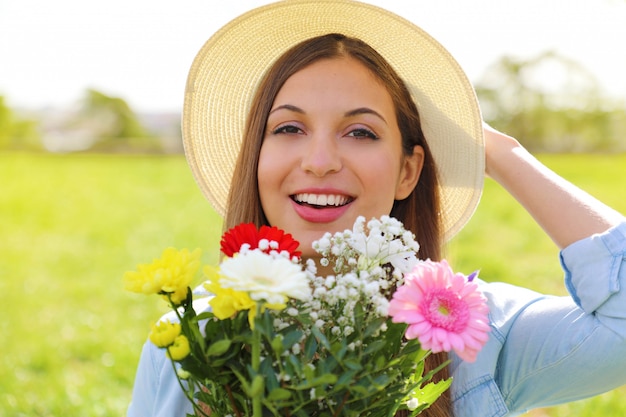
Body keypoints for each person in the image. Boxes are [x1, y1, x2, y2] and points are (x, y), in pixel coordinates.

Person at [127, 1, 626, 416]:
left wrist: (496, 152)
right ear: (255, 159)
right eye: (288, 129)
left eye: (360, 132)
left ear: (408, 171)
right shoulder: (188, 343)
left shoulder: (475, 334)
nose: (320, 162)